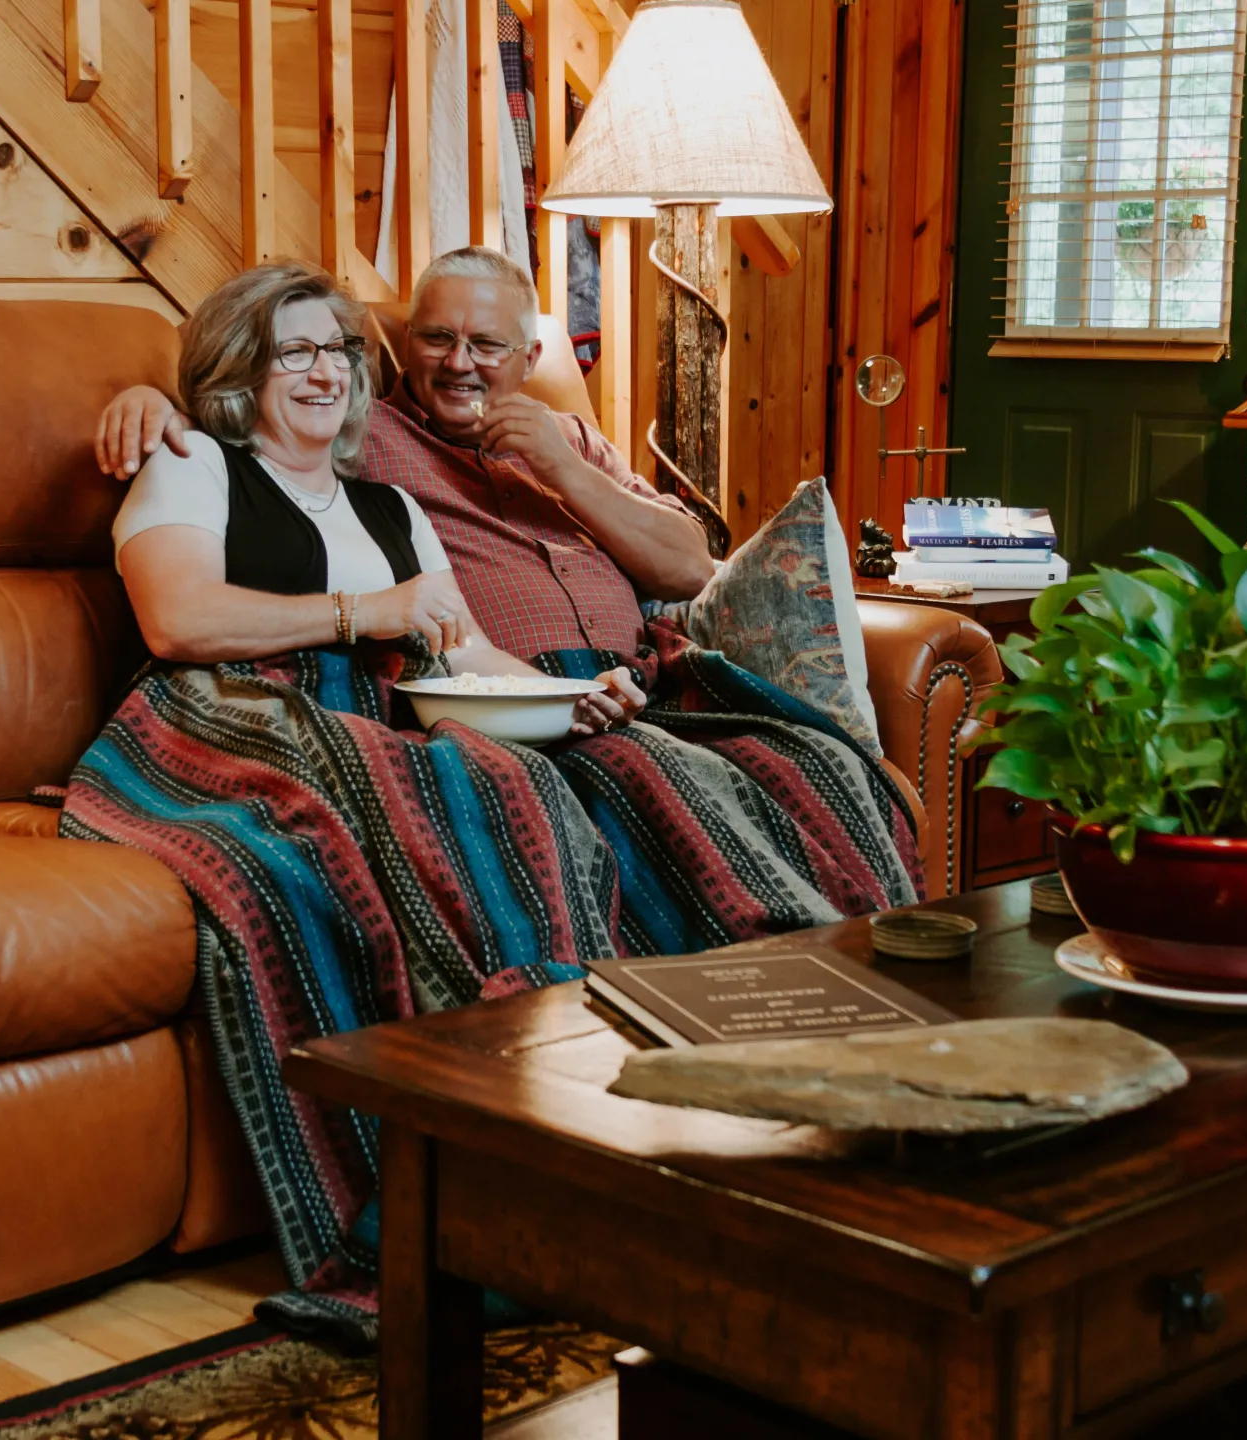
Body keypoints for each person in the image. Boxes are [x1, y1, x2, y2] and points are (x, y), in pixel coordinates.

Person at [67, 253, 919, 1346]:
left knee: (551, 779)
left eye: (336, 347)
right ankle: (485, 1191)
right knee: (485, 797)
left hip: (381, 709)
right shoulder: (196, 463)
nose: (325, 370)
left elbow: (462, 652)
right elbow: (180, 624)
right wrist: (366, 614)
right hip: (225, 714)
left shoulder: (385, 505)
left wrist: (575, 698)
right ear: (244, 368)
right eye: (297, 352)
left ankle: (777, 1094)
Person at [96, 245, 710, 681]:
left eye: (489, 345)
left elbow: (691, 571)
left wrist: (566, 470)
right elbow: (240, 421)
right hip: (425, 709)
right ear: (407, 342)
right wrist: (153, 400)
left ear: (532, 359)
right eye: (437, 338)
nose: (459, 363)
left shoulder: (566, 441)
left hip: (630, 680)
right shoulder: (364, 436)